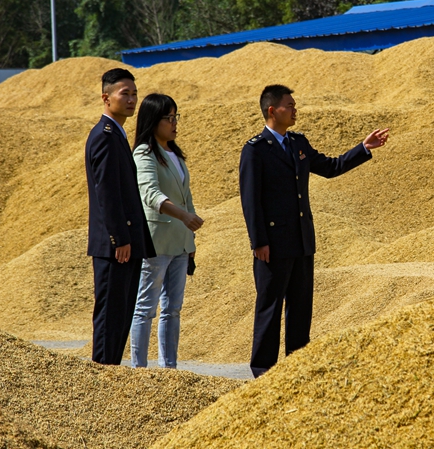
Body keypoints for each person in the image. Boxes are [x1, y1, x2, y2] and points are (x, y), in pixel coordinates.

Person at [239, 84, 389, 377]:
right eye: (290, 105)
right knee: (269, 309)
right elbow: (250, 200)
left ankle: (298, 368)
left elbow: (331, 167)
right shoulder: (255, 150)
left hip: (301, 240)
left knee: (300, 308)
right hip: (272, 244)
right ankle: (263, 371)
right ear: (272, 110)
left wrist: (363, 148)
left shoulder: (298, 142)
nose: (295, 110)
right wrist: (258, 241)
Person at [85, 68, 156, 365]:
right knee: (110, 318)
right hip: (116, 247)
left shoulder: (117, 135)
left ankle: (109, 371)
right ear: (106, 97)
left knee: (121, 315)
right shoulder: (105, 136)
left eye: (134, 94)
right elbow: (107, 194)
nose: (131, 100)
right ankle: (101, 374)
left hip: (125, 243)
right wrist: (120, 238)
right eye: (124, 94)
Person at [130, 93, 204, 368]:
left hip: (180, 242)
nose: (174, 123)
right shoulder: (144, 153)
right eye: (168, 118)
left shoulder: (175, 154)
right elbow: (150, 194)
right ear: (153, 120)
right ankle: (139, 368)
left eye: (176, 117)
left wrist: (190, 236)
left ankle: (169, 368)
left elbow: (186, 197)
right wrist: (184, 216)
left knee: (172, 309)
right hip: (157, 241)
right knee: (145, 308)